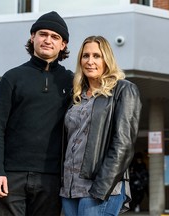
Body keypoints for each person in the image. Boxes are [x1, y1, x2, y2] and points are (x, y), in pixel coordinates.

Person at [0, 11, 73, 216]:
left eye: (55, 37)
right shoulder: (12, 77)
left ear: (63, 45)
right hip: (11, 177)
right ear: (32, 37)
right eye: (43, 34)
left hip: (51, 178)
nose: (48, 40)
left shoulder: (72, 82)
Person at [59, 35, 142, 216]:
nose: (90, 61)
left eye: (97, 56)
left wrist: (102, 187)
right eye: (85, 56)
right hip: (69, 188)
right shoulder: (76, 96)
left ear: (107, 59)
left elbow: (124, 144)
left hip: (99, 188)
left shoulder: (123, 90)